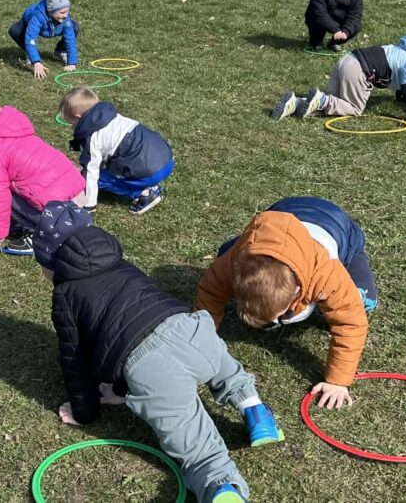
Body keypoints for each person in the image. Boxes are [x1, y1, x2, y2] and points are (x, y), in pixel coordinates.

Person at [39, 202, 282, 503]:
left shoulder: (65, 295)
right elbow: (132, 317)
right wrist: (120, 389)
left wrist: (83, 411)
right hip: (190, 329)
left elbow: (75, 360)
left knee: (198, 446)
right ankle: (254, 408)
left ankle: (222, 486)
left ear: (50, 262)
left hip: (151, 368)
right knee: (227, 371)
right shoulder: (121, 264)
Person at [194, 196, 375, 410]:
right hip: (284, 211)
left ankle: (358, 272)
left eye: (280, 315)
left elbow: (350, 323)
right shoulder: (232, 263)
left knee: (361, 301)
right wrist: (200, 345)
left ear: (298, 291)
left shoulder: (325, 273)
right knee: (225, 251)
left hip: (336, 224)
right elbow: (209, 297)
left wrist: (337, 381)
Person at [0, 86, 86, 256]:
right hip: (80, 198)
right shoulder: (25, 134)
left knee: (5, 191)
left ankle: (39, 232)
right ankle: (41, 222)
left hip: (58, 212)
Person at [272, 31, 406, 128]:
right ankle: (322, 99)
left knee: (336, 107)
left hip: (346, 61)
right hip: (359, 71)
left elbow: (402, 85)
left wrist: (399, 97)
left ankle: (295, 104)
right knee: (352, 109)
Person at [59, 86, 174, 214]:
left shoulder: (92, 136)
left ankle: (145, 193)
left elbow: (91, 173)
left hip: (150, 172)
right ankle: (146, 182)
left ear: (78, 117)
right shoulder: (114, 116)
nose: (72, 126)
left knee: (99, 178)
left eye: (71, 123)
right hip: (166, 159)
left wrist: (89, 205)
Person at [8, 0, 80, 79]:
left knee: (74, 28)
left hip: (56, 28)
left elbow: (70, 39)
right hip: (31, 25)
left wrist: (72, 63)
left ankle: (61, 51)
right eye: (62, 12)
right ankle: (29, 53)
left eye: (67, 11)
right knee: (15, 30)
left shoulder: (65, 18)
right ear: (51, 11)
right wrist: (36, 62)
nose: (66, 15)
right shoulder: (38, 15)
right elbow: (30, 38)